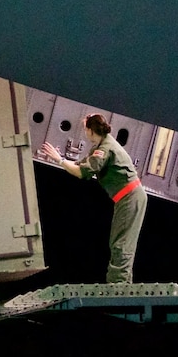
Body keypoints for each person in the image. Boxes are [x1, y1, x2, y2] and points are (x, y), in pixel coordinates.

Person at [41, 114, 147, 283]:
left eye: (85, 128)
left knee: (121, 244)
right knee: (119, 242)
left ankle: (119, 287)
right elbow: (79, 165)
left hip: (130, 197)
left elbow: (81, 173)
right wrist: (62, 159)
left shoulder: (104, 149)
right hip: (127, 198)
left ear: (90, 130)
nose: (84, 132)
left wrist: (60, 160)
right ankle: (121, 284)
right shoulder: (101, 145)